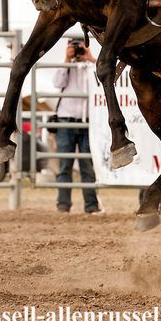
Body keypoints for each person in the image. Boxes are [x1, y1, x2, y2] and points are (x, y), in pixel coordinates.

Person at [52, 38, 102, 214]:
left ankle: (91, 205)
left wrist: (91, 58)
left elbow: (104, 79)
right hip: (66, 119)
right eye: (73, 46)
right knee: (65, 165)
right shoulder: (65, 65)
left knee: (87, 165)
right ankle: (63, 205)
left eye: (80, 46)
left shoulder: (91, 67)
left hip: (88, 120)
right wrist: (67, 60)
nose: (77, 50)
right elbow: (57, 83)